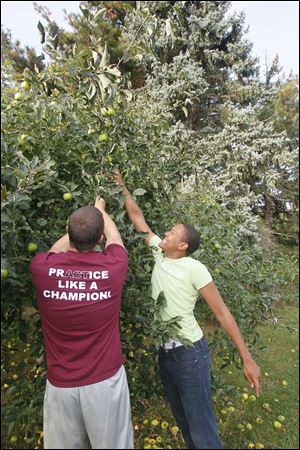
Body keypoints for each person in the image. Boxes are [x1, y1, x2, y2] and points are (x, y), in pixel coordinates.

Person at [115, 171, 261, 450]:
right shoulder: (159, 252)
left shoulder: (196, 269)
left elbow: (222, 314)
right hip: (166, 353)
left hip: (190, 354)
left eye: (171, 233)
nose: (165, 233)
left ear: (182, 246)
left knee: (201, 428)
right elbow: (138, 219)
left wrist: (247, 358)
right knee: (184, 422)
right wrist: (121, 187)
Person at [30, 197, 134, 449]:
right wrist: (99, 211)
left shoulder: (42, 268)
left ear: (68, 231)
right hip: (105, 383)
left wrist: (77, 224)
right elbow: (116, 240)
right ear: (99, 239)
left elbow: (54, 251)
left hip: (60, 386)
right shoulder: (113, 267)